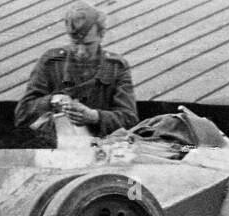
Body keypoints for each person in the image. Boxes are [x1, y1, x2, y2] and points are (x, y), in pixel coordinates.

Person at [13, 2, 138, 140]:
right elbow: (22, 114)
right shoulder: (51, 63)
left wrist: (95, 116)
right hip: (55, 148)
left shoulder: (116, 67)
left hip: (103, 150)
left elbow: (130, 119)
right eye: (75, 43)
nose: (81, 52)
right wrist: (53, 100)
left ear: (101, 35)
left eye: (88, 44)